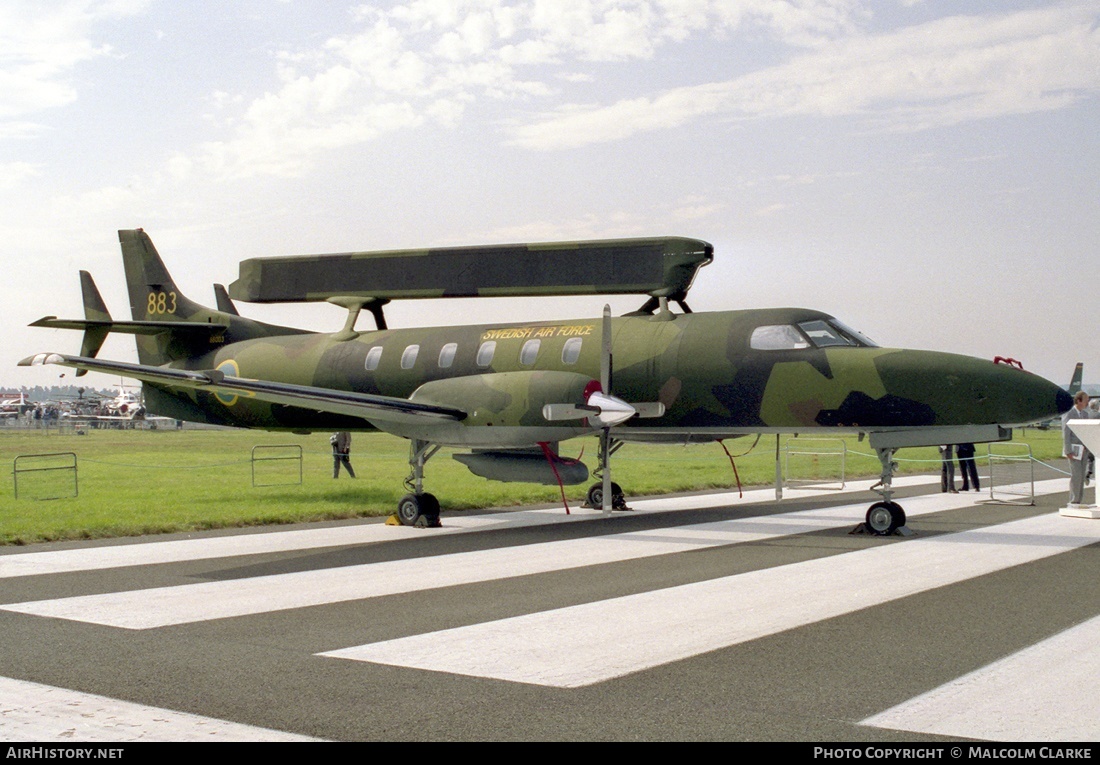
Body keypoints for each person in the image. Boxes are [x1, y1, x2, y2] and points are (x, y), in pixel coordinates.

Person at [1062, 391, 1092, 506]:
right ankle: (1073, 500)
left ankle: (1079, 499)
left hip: (1084, 449)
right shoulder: (1069, 413)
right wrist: (1067, 450)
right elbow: (1066, 433)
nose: (1087, 403)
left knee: (1082, 475)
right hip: (1073, 450)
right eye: (1085, 400)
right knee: (1076, 475)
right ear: (1079, 401)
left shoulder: (1085, 414)